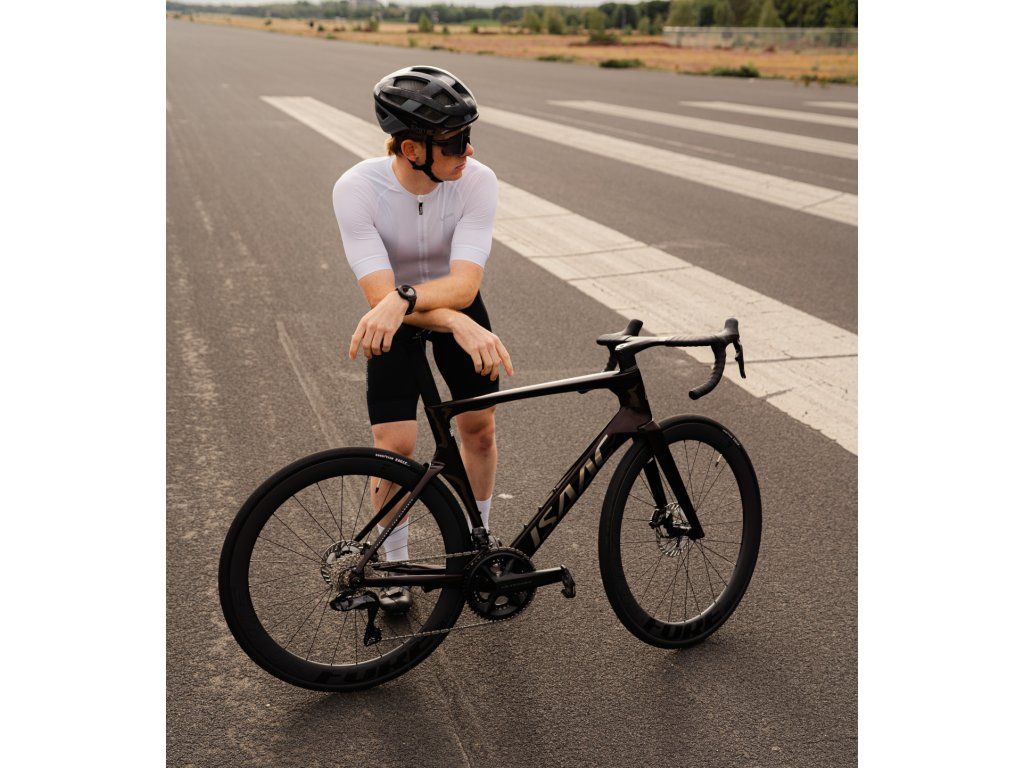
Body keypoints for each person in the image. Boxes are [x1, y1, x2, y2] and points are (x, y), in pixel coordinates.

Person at [332, 66, 514, 613]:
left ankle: (480, 543)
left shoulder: (477, 181)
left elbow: (464, 285)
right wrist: (454, 321)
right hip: (397, 318)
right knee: (395, 447)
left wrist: (412, 299)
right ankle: (394, 566)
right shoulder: (357, 190)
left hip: (420, 305)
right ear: (412, 149)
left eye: (468, 136)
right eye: (454, 142)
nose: (468, 150)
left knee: (478, 430)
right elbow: (380, 297)